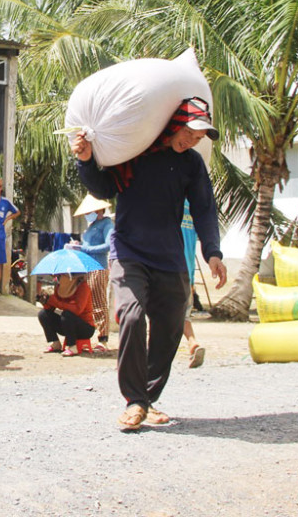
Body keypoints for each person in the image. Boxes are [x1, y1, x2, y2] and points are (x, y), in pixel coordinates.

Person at [73, 96, 227, 431]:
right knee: (130, 316)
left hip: (170, 257)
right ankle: (134, 401)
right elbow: (105, 187)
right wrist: (85, 161)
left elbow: (204, 207)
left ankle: (147, 398)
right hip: (129, 252)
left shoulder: (191, 164)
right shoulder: (136, 151)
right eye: (190, 131)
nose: (192, 140)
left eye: (199, 138)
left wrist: (212, 251)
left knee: (170, 327)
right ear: (174, 123)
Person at [68, 194, 113, 351]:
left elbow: (109, 245)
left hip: (98, 267)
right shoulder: (92, 226)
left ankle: (103, 338)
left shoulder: (106, 224)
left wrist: (87, 249)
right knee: (87, 302)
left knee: (99, 302)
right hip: (86, 267)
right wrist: (78, 245)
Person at [37, 274, 96, 357]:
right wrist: (45, 301)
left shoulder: (83, 287)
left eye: (60, 276)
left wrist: (57, 303)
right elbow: (51, 307)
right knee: (43, 314)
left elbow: (77, 310)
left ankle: (72, 347)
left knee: (67, 315)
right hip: (68, 326)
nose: (58, 278)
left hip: (85, 328)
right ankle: (55, 343)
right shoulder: (60, 288)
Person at [180, 201, 206, 368]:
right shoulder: (192, 205)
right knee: (184, 314)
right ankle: (192, 343)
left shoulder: (169, 196)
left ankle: (146, 351)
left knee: (158, 311)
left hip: (167, 267)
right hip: (188, 269)